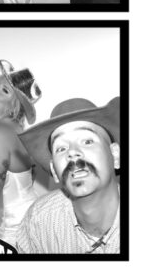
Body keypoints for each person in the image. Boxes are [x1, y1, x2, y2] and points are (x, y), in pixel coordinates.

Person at [17, 96, 120, 254]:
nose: (72, 152)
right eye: (61, 148)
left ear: (115, 156)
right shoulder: (39, 220)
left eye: (87, 142)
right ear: (54, 171)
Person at [0, 60, 41, 246]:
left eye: (5, 90)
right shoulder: (19, 129)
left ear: (15, 106)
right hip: (28, 219)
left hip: (7, 232)